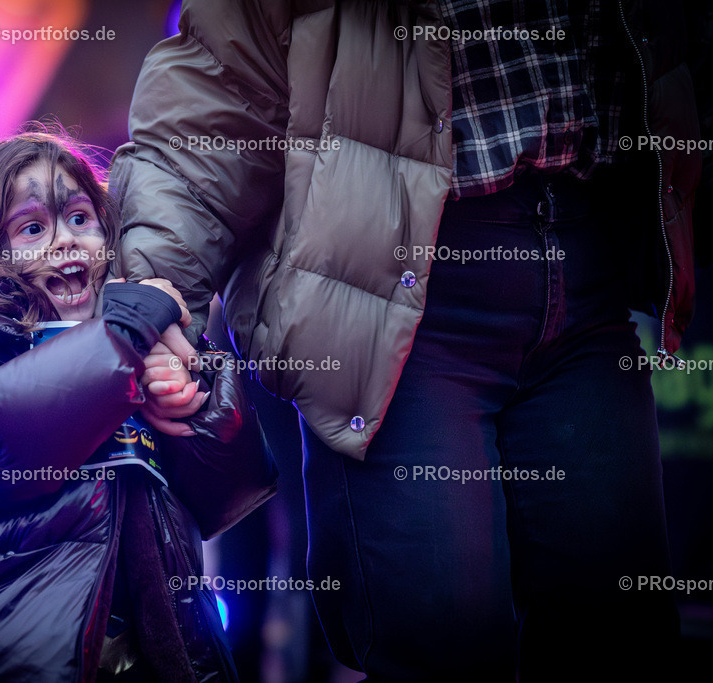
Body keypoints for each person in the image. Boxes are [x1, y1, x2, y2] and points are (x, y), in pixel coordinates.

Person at [110, 1, 702, 680]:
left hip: (588, 280)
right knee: (438, 640)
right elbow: (216, 91)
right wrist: (158, 292)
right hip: (389, 292)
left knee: (621, 636)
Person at [0, 129, 257, 682]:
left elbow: (224, 493)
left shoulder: (127, 338)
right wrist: (123, 334)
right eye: (33, 228)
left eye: (81, 219)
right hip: (13, 645)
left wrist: (193, 393)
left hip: (153, 643)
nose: (66, 241)